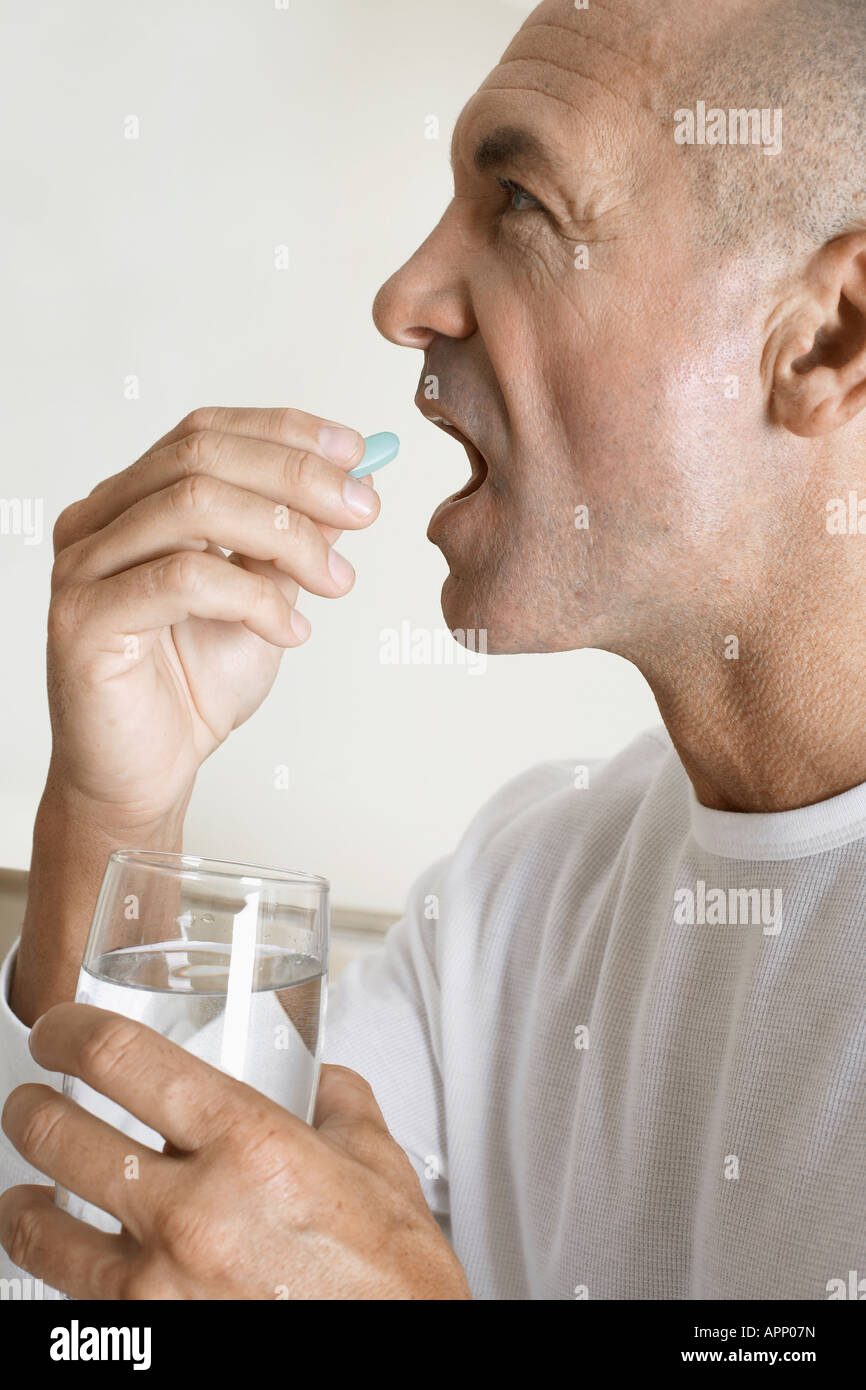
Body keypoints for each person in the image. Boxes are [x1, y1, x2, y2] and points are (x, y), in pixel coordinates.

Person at [1, 0, 865, 1300]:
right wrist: (119, 809)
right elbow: (128, 1264)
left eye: (518, 201)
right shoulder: (522, 892)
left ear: (823, 337)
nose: (402, 297)